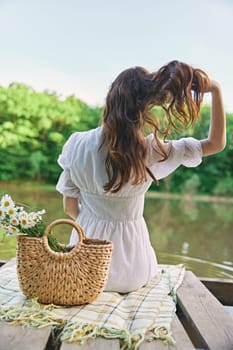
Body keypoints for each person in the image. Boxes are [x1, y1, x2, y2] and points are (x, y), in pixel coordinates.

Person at [56, 60, 226, 293]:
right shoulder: (150, 151)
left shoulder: (76, 144)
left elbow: (69, 208)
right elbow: (216, 143)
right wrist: (215, 90)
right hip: (133, 271)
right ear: (145, 108)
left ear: (110, 101)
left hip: (85, 264)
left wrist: (92, 226)